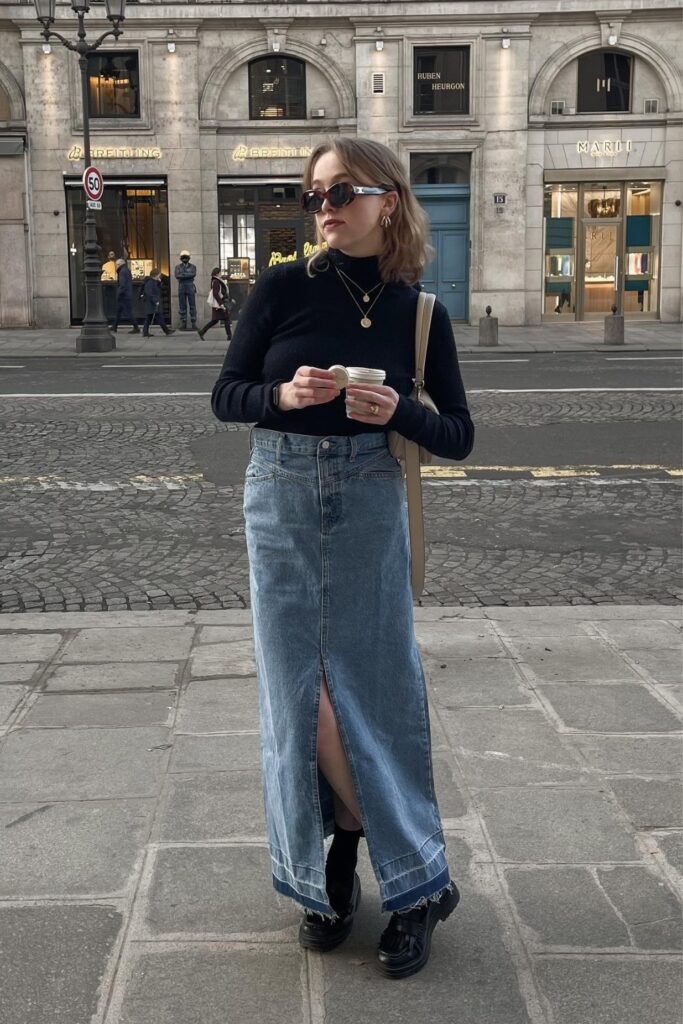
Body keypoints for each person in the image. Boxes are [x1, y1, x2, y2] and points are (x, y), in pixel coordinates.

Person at [211, 138, 474, 980]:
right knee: (304, 700)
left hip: (368, 500)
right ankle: (408, 875)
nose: (322, 206)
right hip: (280, 499)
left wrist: (400, 409)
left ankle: (378, 876)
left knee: (375, 691)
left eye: (341, 191)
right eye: (314, 193)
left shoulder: (419, 310)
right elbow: (227, 394)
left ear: (386, 200)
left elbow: (459, 436)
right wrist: (283, 396)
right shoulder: (284, 286)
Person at [197, 268, 232, 340]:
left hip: (219, 304)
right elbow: (215, 294)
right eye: (220, 273)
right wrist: (221, 304)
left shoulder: (216, 281)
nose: (221, 274)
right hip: (219, 304)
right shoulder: (216, 281)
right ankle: (229, 336)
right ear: (217, 273)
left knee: (216, 320)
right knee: (225, 319)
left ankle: (202, 331)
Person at [141, 268, 174, 337]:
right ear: (155, 275)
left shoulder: (153, 282)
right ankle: (166, 331)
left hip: (151, 303)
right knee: (159, 317)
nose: (160, 276)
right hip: (152, 304)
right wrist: (156, 301)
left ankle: (145, 332)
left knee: (149, 318)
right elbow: (150, 293)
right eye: (159, 274)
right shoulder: (150, 283)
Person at [111, 258, 140, 334]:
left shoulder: (122, 272)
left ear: (119, 264)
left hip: (124, 295)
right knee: (119, 311)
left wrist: (118, 294)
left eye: (116, 265)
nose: (116, 266)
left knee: (128, 312)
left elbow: (122, 285)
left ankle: (136, 327)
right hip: (126, 294)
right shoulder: (125, 270)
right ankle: (114, 326)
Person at [174, 249, 198, 331]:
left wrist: (183, 275)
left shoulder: (193, 267)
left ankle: (194, 323)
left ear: (189, 258)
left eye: (186, 257)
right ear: (181, 258)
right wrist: (187, 275)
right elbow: (177, 275)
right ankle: (183, 323)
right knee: (182, 306)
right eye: (183, 257)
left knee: (192, 305)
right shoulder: (177, 267)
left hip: (190, 287)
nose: (184, 259)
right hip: (182, 287)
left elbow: (193, 274)